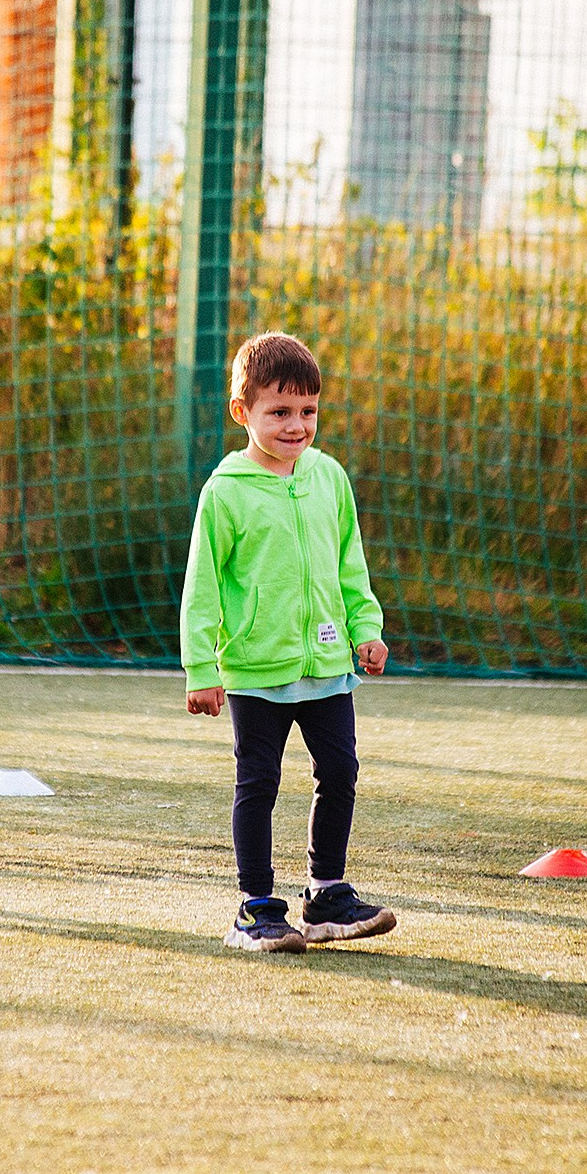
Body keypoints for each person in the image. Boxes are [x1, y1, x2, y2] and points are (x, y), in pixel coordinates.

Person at [181, 332, 396, 953]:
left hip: (329, 666)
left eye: (308, 411)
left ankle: (327, 896)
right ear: (242, 412)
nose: (296, 425)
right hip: (255, 670)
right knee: (260, 783)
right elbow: (202, 588)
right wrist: (202, 668)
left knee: (340, 771)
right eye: (279, 411)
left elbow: (349, 563)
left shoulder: (329, 478)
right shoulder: (225, 492)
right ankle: (256, 909)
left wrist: (367, 629)